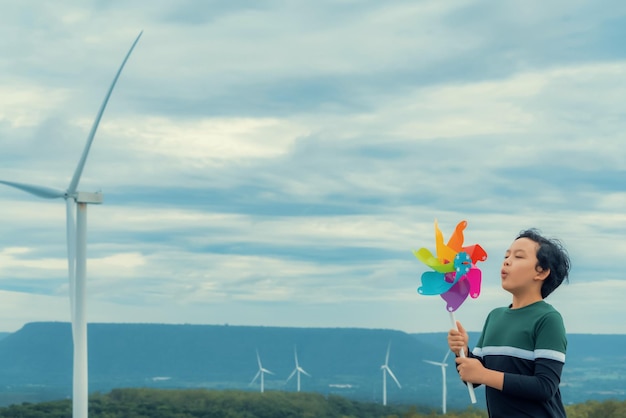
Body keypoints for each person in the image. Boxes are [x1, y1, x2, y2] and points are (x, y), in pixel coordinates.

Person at [448, 229, 570, 417]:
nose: (506, 261)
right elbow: (473, 378)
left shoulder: (548, 319)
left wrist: (483, 374)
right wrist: (462, 350)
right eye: (506, 255)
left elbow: (545, 387)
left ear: (542, 272)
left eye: (519, 256)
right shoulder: (494, 316)